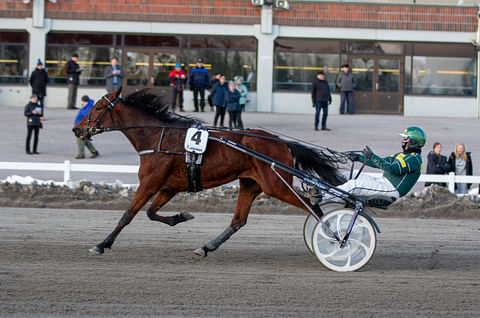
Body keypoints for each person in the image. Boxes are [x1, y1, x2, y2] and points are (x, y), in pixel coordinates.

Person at [334, 127, 425, 201]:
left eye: (405, 138)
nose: (402, 140)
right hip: (383, 182)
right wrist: (359, 158)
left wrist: (372, 156)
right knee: (348, 175)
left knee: (354, 185)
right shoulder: (402, 155)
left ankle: (325, 197)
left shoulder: (414, 159)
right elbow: (380, 163)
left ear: (413, 142)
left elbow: (392, 169)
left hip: (391, 190)